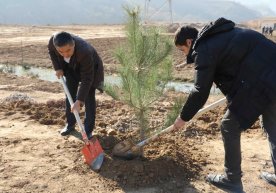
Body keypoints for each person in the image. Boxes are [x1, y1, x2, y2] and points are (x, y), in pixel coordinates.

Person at [173, 18, 276, 192]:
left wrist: (183, 117)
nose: (185, 55)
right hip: (271, 74)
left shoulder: (203, 49)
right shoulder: (220, 37)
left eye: (183, 50)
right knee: (273, 127)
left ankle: (232, 179)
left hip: (260, 82)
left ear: (189, 42)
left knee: (229, 125)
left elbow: (199, 91)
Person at [48, 31, 104, 139]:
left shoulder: (85, 51)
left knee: (88, 97)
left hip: (90, 69)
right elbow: (51, 52)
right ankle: (70, 125)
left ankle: (87, 131)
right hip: (71, 67)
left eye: (68, 50)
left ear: (73, 43)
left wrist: (79, 101)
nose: (65, 54)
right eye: (61, 52)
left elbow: (87, 78)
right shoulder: (52, 41)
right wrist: (58, 68)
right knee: (69, 95)